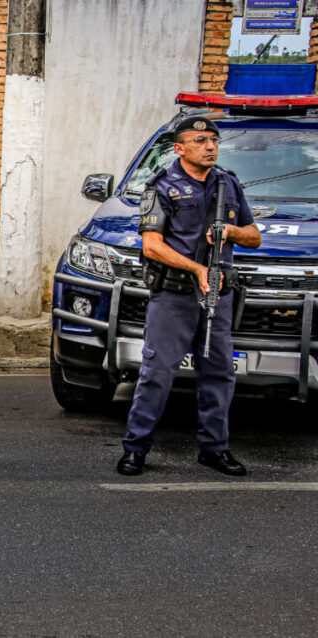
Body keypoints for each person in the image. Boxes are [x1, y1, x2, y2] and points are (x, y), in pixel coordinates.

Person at [116, 115, 261, 477]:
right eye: (200, 140)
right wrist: (196, 269)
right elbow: (151, 247)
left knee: (219, 374)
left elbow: (254, 235)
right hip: (176, 296)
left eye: (213, 140)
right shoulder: (162, 186)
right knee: (157, 374)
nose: (210, 146)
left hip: (218, 295)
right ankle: (136, 449)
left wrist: (231, 231)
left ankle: (214, 449)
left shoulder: (227, 184)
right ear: (180, 148)